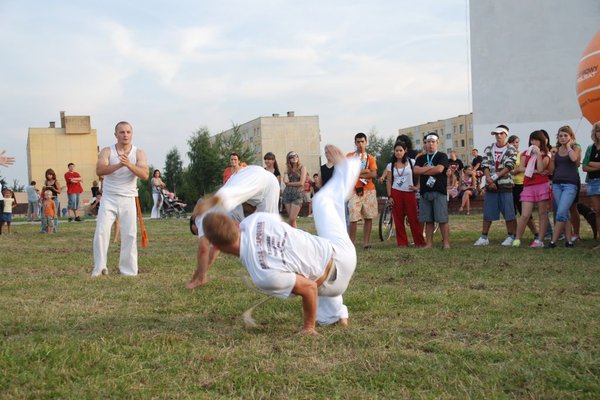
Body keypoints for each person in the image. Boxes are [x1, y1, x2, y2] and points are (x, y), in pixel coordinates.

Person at [201, 144, 360, 336]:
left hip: (335, 277)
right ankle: (347, 170)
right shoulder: (256, 220)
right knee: (323, 202)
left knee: (309, 272)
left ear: (218, 247)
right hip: (338, 251)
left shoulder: (262, 274)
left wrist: (308, 328)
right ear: (235, 224)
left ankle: (349, 167)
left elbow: (309, 287)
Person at [187, 165, 281, 289]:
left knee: (266, 235)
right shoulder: (223, 214)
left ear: (195, 220)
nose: (201, 233)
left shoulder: (201, 217)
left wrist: (199, 276)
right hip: (263, 179)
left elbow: (204, 248)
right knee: (270, 233)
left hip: (256, 182)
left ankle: (280, 273)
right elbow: (215, 247)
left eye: (197, 231)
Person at [92, 121, 149, 277]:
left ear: (132, 134)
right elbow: (99, 169)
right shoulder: (107, 151)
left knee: (129, 234)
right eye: (122, 132)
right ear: (115, 134)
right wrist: (118, 165)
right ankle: (100, 268)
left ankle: (128, 270)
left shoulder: (139, 153)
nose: (125, 135)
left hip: (128, 198)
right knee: (101, 232)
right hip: (109, 197)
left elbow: (144, 175)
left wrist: (129, 164)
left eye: (128, 132)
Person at [473, 126, 518, 246]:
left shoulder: (511, 149)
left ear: (506, 135)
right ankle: (484, 237)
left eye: (501, 134)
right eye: (496, 134)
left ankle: (511, 235)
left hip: (505, 185)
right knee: (488, 212)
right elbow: (485, 164)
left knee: (509, 213)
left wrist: (493, 178)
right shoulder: (489, 148)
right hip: (491, 186)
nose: (498, 136)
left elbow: (509, 166)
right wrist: (489, 179)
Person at [512, 130, 552, 248]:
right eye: (532, 139)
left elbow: (541, 167)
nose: (534, 142)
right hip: (528, 186)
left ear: (542, 141)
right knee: (525, 215)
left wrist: (538, 155)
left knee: (542, 213)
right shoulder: (525, 153)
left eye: (537, 140)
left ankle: (539, 240)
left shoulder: (546, 154)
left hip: (542, 185)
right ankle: (517, 239)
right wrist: (535, 171)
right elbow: (521, 168)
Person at [414, 132, 450, 249]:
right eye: (428, 142)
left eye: (433, 142)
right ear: (425, 143)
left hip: (439, 191)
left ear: (437, 143)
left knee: (442, 219)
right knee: (428, 220)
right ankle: (429, 243)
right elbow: (415, 171)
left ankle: (446, 243)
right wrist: (430, 169)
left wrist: (424, 170)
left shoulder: (442, 156)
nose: (430, 144)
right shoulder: (420, 158)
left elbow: (439, 170)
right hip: (425, 192)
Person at [385, 140, 425, 247]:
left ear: (405, 151)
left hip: (409, 192)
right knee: (398, 219)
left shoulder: (411, 162)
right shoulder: (391, 165)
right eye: (396, 150)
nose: (398, 153)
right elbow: (388, 181)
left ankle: (419, 242)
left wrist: (417, 187)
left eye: (400, 150)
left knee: (413, 218)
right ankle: (402, 243)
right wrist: (390, 196)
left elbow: (420, 174)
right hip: (396, 192)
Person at [548, 125, 581, 248]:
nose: (562, 138)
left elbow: (574, 159)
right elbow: (551, 171)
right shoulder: (555, 150)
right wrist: (552, 157)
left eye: (565, 135)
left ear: (571, 136)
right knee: (565, 212)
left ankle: (553, 241)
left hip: (570, 184)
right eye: (560, 136)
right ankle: (569, 241)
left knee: (561, 212)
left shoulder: (575, 147)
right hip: (557, 184)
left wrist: (568, 146)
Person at [346, 132, 378, 250]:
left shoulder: (370, 158)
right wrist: (365, 171)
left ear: (366, 142)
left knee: (368, 217)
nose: (360, 144)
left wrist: (357, 172)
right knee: (353, 217)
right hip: (354, 190)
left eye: (362, 142)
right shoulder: (349, 156)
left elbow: (374, 173)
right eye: (358, 142)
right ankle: (351, 243)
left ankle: (366, 243)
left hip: (369, 190)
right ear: (355, 143)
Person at [508, 135, 538, 240]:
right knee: (512, 212)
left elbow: (519, 169)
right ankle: (515, 234)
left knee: (525, 213)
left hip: (520, 184)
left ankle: (536, 233)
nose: (515, 144)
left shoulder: (521, 154)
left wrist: (514, 170)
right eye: (512, 142)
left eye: (517, 142)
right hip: (510, 185)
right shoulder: (507, 155)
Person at [582, 122, 600, 249]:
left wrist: (592, 164)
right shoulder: (590, 148)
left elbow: (589, 164)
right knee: (598, 212)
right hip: (593, 182)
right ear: (595, 133)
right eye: (598, 131)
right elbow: (584, 166)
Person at [282, 151, 307, 228]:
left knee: (292, 219)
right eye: (291, 157)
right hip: (287, 195)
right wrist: (286, 173)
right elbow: (285, 181)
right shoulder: (288, 170)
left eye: (296, 156)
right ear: (288, 159)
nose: (294, 158)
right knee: (291, 219)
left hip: (298, 195)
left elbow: (301, 183)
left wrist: (289, 184)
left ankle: (295, 235)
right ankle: (294, 236)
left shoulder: (302, 168)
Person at [42, 168, 61, 233]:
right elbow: (43, 191)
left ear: (53, 175)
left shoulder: (56, 182)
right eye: (47, 175)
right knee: (45, 215)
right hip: (47, 200)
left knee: (54, 215)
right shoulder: (46, 182)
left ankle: (54, 229)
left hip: (54, 199)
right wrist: (43, 189)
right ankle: (44, 229)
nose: (49, 176)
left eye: (50, 175)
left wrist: (53, 188)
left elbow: (59, 191)